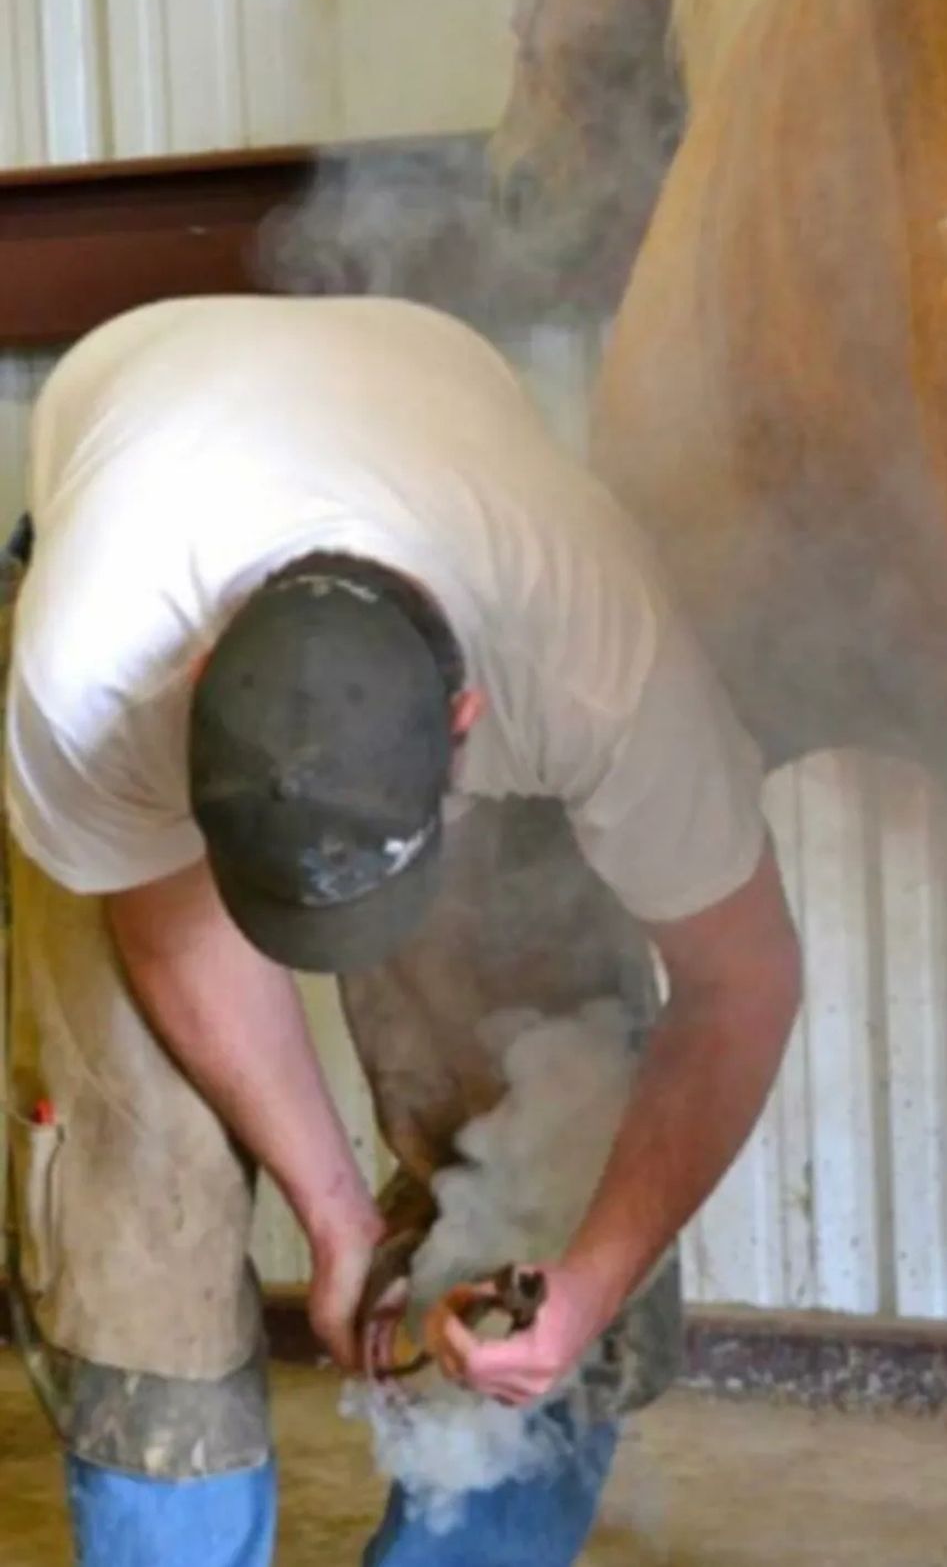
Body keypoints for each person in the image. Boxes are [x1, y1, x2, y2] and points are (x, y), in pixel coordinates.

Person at [2, 295, 802, 1567]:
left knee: (551, 1145)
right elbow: (170, 929)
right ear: (198, 685)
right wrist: (335, 1216)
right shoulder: (91, 663)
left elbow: (744, 979)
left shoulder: (594, 652)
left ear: (470, 723)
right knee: (133, 1216)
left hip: (467, 550)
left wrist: (584, 1286)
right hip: (133, 495)